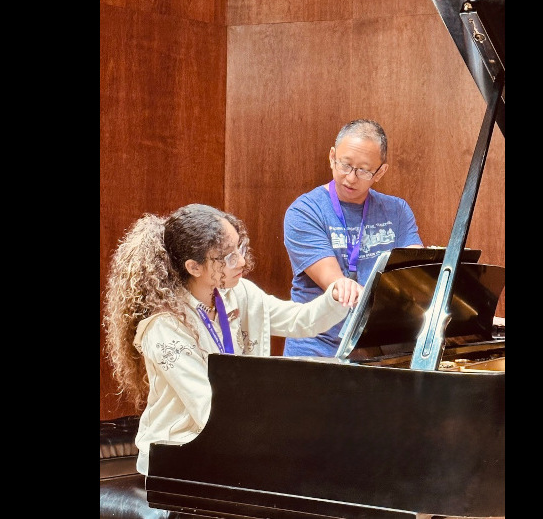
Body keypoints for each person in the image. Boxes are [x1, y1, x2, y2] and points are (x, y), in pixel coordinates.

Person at [102, 204, 363, 475]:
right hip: (178, 452)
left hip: (235, 438)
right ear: (194, 267)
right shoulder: (164, 326)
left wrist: (336, 295)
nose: (240, 262)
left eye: (240, 248)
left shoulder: (238, 294)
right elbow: (208, 408)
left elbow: (302, 320)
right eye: (226, 257)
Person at [283, 119, 423, 357]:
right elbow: (336, 285)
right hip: (319, 347)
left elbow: (417, 273)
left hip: (381, 348)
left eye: (364, 170)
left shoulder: (396, 211)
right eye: (345, 165)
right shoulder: (305, 212)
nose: (350, 178)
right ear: (331, 157)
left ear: (380, 172)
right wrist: (345, 285)